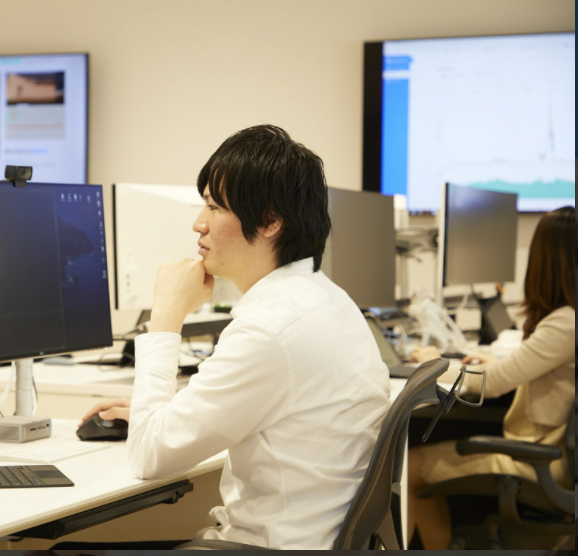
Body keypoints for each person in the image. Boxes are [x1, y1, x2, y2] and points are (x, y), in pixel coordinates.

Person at [80, 125, 391, 549]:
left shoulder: (268, 331)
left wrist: (167, 314)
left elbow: (149, 457)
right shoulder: (325, 299)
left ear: (270, 221)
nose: (198, 224)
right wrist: (161, 415)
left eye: (214, 207)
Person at [406, 206, 576, 550]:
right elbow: (534, 367)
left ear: (546, 261)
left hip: (541, 464)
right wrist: (498, 361)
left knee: (408, 468)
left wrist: (433, 363)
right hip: (550, 455)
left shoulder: (565, 323)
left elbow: (489, 383)